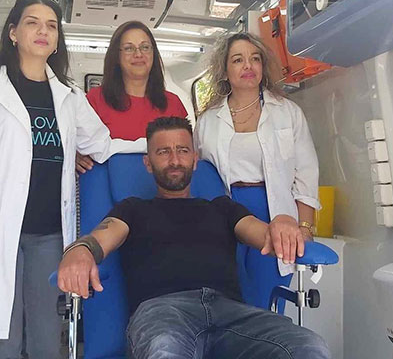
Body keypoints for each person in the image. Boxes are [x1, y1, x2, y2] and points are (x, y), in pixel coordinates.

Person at [0, 0, 144, 358]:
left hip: (49, 233)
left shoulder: (69, 95)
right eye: (32, 23)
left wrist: (152, 144)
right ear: (13, 32)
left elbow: (102, 144)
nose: (43, 31)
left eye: (51, 26)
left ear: (57, 39)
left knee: (47, 335)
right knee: (3, 336)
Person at [57, 117, 330, 359]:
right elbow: (101, 237)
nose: (175, 160)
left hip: (232, 316)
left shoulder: (223, 207)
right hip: (164, 314)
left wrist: (282, 222)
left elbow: (264, 234)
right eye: (163, 152)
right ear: (148, 163)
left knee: (308, 346)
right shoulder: (132, 209)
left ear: (195, 159)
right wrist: (81, 250)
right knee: (165, 350)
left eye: (183, 150)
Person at [194, 32, 320, 308]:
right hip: (225, 217)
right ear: (224, 71)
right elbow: (200, 177)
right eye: (238, 60)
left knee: (266, 304)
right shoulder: (207, 121)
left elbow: (307, 175)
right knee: (227, 299)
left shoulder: (288, 112)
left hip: (276, 218)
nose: (248, 66)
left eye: (255, 59)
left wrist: (305, 228)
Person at [75, 20, 187, 173]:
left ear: (153, 54)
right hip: (110, 184)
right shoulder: (95, 99)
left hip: (162, 186)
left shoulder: (173, 102)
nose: (138, 54)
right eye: (129, 48)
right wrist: (73, 154)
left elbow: (185, 153)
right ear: (116, 56)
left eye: (145, 47)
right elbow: (77, 144)